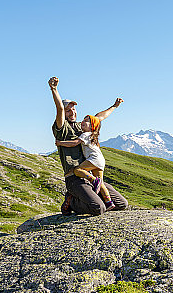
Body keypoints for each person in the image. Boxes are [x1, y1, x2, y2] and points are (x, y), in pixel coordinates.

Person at [48, 77, 128, 215]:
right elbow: (59, 108)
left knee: (122, 204)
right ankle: (71, 201)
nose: (72, 112)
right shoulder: (62, 128)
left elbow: (99, 117)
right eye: (68, 111)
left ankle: (91, 196)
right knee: (98, 208)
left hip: (90, 175)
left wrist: (114, 106)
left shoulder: (83, 127)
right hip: (74, 178)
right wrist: (54, 89)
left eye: (73, 109)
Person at [56, 110, 120, 210]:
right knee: (101, 183)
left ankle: (93, 181)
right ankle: (109, 202)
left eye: (86, 121)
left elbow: (74, 143)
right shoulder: (93, 136)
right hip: (100, 161)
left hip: (93, 159)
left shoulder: (85, 134)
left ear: (92, 127)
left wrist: (60, 143)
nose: (83, 122)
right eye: (83, 119)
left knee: (77, 170)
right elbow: (99, 118)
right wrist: (115, 106)